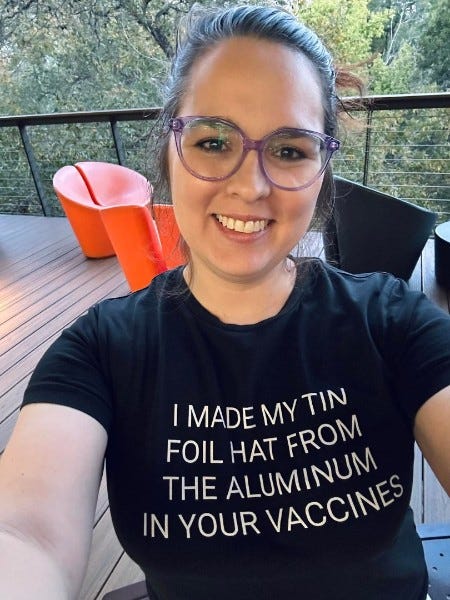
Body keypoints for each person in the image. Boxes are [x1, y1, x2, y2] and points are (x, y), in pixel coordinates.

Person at [0, 4, 449, 600]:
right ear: (169, 151)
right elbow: (25, 534)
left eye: (289, 150)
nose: (250, 185)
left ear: (322, 173)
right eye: (213, 141)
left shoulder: (391, 322)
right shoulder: (102, 350)